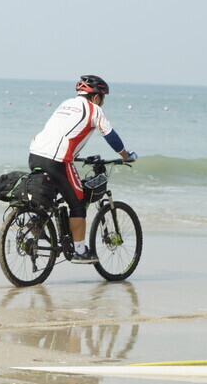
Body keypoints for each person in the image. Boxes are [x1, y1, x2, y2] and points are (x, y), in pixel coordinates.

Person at [28, 75, 136, 264]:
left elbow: (61, 131)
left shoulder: (66, 104)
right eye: (103, 98)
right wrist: (126, 155)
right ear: (96, 97)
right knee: (77, 203)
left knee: (49, 193)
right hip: (58, 160)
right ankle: (79, 250)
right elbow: (111, 136)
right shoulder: (95, 110)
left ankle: (37, 221)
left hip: (35, 154)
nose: (102, 103)